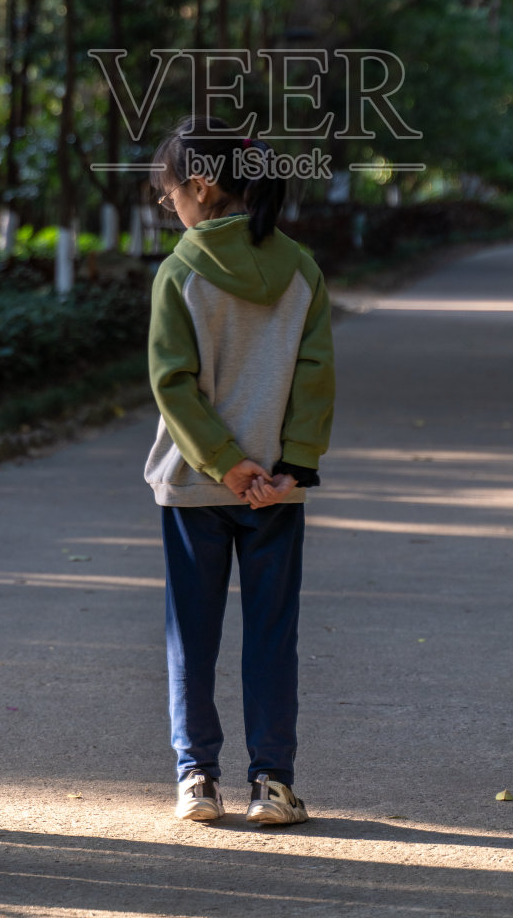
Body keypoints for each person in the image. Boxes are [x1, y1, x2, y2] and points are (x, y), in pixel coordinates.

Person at [145, 116, 336, 826]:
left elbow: (173, 382)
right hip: (274, 494)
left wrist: (223, 464)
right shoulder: (300, 268)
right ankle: (273, 784)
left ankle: (195, 777)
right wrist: (291, 468)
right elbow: (315, 378)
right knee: (270, 633)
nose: (170, 207)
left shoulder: (180, 272)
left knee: (189, 636)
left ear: (200, 185)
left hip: (196, 485)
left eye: (170, 194)